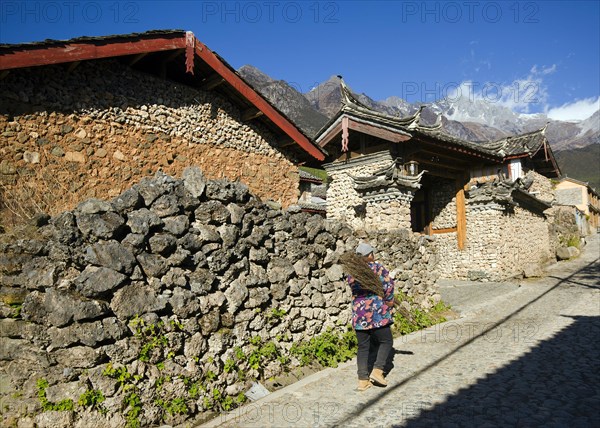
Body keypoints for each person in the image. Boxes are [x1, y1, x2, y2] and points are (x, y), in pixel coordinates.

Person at [344, 242, 395, 391]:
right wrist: (389, 300)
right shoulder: (377, 268)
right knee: (386, 341)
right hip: (376, 311)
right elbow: (388, 285)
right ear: (369, 255)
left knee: (363, 346)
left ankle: (362, 380)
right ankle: (378, 371)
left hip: (359, 313)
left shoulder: (352, 273)